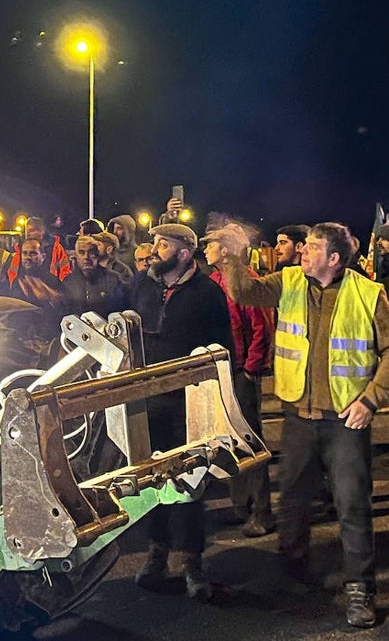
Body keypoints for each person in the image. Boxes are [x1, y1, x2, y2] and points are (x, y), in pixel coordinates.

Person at [217, 221, 389, 629]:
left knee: (352, 505)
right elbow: (243, 292)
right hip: (298, 418)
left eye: (312, 246)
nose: (302, 250)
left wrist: (372, 399)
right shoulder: (288, 281)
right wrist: (235, 255)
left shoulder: (367, 293)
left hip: (345, 422)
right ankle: (292, 572)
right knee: (292, 499)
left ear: (334, 258)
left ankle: (360, 589)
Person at [122, 223, 234, 601]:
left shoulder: (207, 294)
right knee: (151, 482)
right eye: (155, 243)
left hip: (189, 406)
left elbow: (223, 352)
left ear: (184, 252)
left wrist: (217, 406)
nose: (154, 250)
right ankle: (156, 553)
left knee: (189, 485)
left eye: (163, 244)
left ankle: (191, 562)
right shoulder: (141, 286)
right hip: (146, 404)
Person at [203, 226, 276, 537]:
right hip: (222, 370)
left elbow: (262, 327)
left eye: (211, 245)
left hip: (240, 372)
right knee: (228, 439)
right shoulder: (215, 281)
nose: (205, 250)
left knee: (250, 439)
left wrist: (250, 369)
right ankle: (239, 505)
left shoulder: (245, 281)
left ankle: (262, 511)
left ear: (226, 250)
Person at [60, 235, 122, 318]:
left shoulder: (113, 279)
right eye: (82, 252)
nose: (86, 257)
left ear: (97, 255)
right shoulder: (69, 281)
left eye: (91, 252)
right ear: (76, 256)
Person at [4, 216, 72, 285]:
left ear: (41, 231)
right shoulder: (18, 249)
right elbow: (12, 272)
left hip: (49, 288)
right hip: (23, 289)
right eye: (26, 231)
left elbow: (65, 272)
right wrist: (14, 287)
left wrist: (58, 289)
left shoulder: (56, 248)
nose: (28, 234)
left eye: (31, 230)